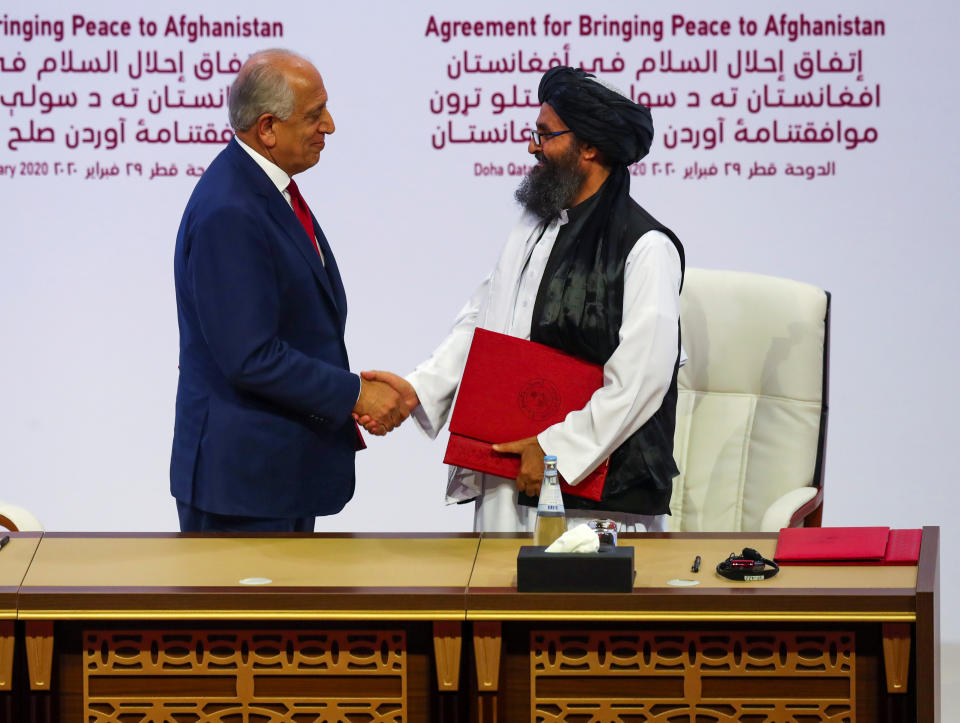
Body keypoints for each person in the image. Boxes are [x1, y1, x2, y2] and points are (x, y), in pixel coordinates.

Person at [360, 66, 684, 533]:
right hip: (509, 472)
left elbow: (641, 381)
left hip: (594, 499)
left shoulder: (646, 247)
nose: (533, 146)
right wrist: (419, 390)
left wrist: (556, 451)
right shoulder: (534, 226)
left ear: (589, 147)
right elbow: (484, 321)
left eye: (545, 134)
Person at [171, 49, 408, 533]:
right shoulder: (231, 211)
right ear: (267, 128)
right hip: (243, 489)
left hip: (275, 476)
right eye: (314, 115)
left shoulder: (262, 190)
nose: (331, 126)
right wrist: (355, 394)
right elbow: (250, 355)